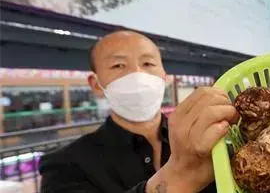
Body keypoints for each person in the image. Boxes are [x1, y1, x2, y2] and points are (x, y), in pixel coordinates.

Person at [40, 30, 238, 193]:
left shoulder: (212, 138)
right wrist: (178, 179)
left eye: (148, 64)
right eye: (118, 65)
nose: (137, 74)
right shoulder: (65, 165)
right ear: (96, 84)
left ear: (164, 76)